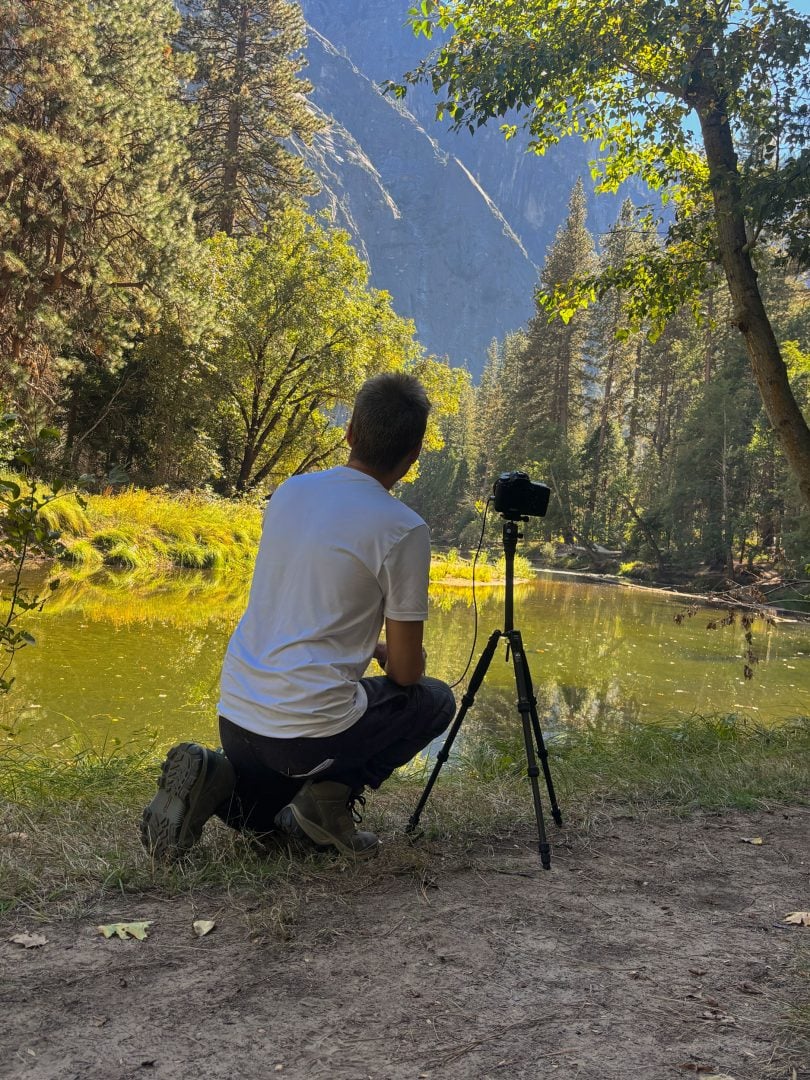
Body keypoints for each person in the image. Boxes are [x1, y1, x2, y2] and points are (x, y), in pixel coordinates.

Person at [141, 373, 456, 861]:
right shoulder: (403, 529)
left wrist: (364, 646)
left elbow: (307, 609)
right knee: (434, 699)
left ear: (349, 432)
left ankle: (216, 776)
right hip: (304, 736)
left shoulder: (291, 492)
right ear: (413, 456)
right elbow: (407, 673)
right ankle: (328, 804)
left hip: (237, 716)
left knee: (264, 822)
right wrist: (389, 655)